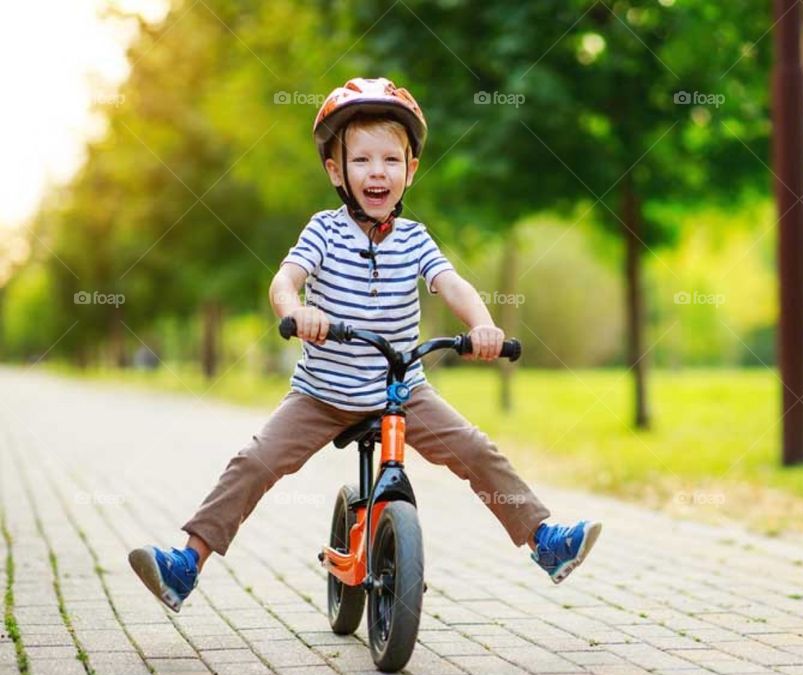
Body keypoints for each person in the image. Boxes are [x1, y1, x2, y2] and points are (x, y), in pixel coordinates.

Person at [128, 77, 602, 612]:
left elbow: (453, 286)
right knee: (255, 462)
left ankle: (544, 541)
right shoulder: (323, 232)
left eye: (390, 161)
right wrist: (297, 311)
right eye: (362, 161)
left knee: (476, 450)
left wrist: (484, 325)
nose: (377, 172)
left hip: (402, 391)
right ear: (337, 171)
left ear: (410, 170)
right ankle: (186, 564)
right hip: (321, 393)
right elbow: (283, 282)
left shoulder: (416, 239)